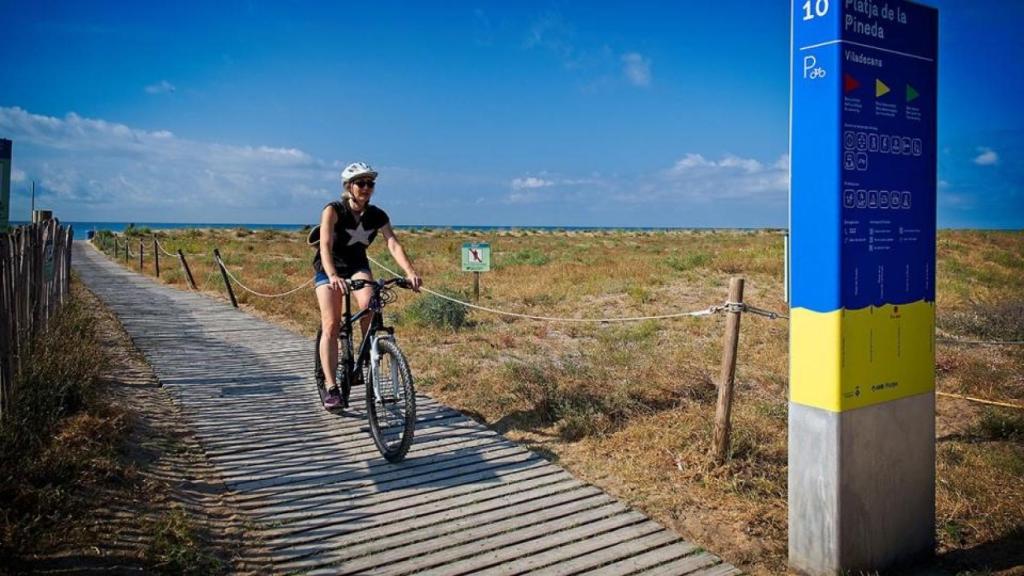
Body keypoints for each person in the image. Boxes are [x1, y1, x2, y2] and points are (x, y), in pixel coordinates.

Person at [312, 162, 422, 409]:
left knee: (369, 307)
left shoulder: (377, 215)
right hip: (329, 268)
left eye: (370, 184)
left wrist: (410, 272)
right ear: (349, 186)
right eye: (360, 183)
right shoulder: (333, 210)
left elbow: (392, 243)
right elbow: (325, 246)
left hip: (357, 265)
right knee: (331, 324)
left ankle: (365, 358)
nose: (366, 188)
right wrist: (332, 276)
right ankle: (331, 386)